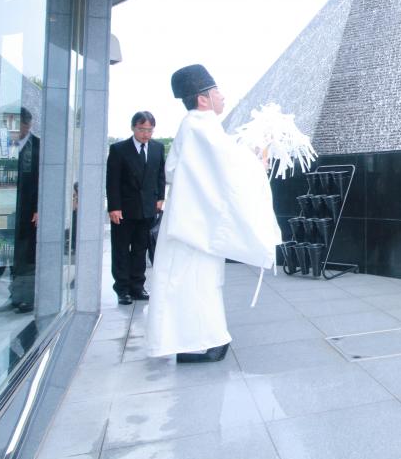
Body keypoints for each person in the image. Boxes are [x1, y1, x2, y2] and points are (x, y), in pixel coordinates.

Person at [146, 64, 279, 363]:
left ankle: (201, 340)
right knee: (195, 283)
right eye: (217, 91)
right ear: (203, 98)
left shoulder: (197, 126)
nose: (222, 96)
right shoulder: (199, 126)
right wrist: (260, 158)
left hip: (193, 224)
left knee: (194, 282)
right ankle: (199, 342)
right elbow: (231, 170)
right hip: (192, 229)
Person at [106, 111, 165, 305]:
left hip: (147, 208)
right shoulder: (119, 149)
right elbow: (112, 181)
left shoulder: (157, 148)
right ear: (133, 128)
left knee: (141, 249)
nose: (146, 134)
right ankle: (122, 289)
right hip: (123, 209)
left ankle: (137, 286)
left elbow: (160, 176)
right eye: (142, 129)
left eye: (149, 130)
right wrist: (114, 207)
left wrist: (160, 198)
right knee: (122, 249)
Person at [0, 107, 40, 314]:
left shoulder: (38, 146)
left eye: (14, 124)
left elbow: (43, 181)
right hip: (5, 209)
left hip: (29, 212)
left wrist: (40, 208)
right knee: (8, 255)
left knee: (26, 257)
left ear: (26, 125)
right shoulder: (3, 145)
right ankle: (14, 296)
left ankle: (27, 298)